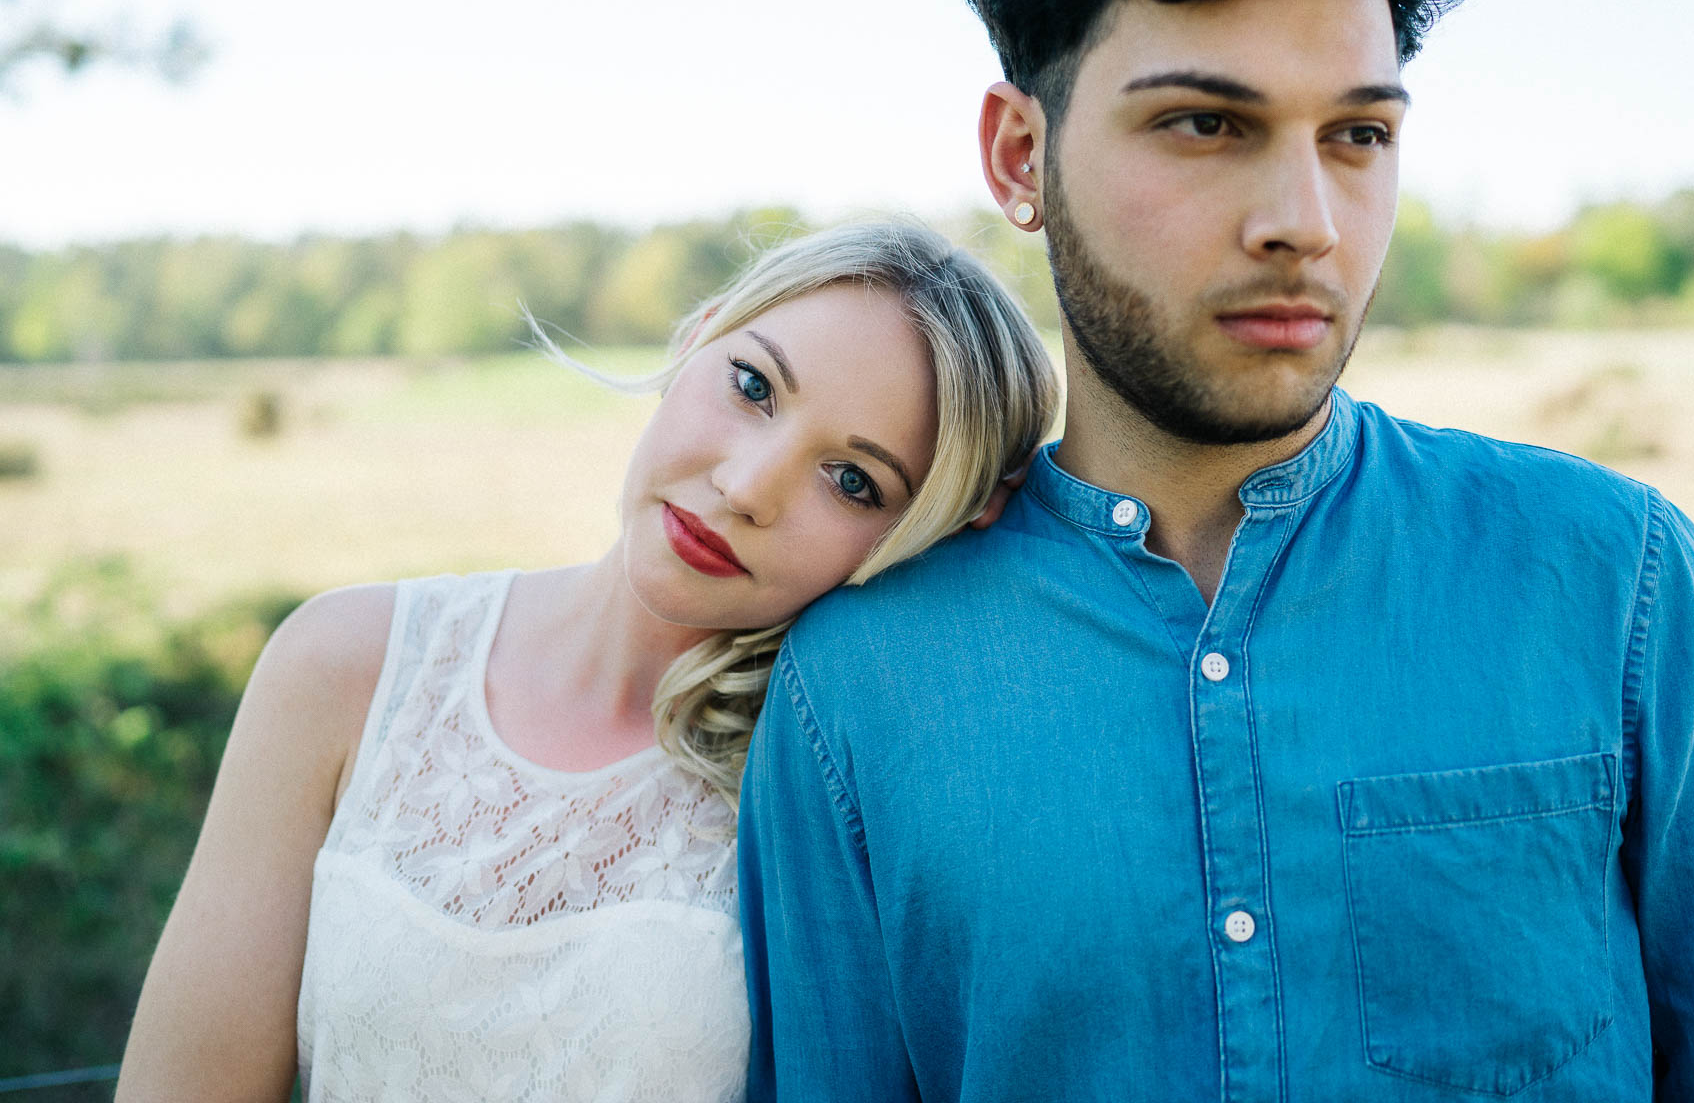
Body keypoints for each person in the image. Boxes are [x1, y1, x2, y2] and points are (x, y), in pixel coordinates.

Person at [736, 0, 1694, 1098]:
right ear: (1023, 155)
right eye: (1203, 123)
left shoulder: (1615, 582)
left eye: (1357, 135)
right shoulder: (855, 690)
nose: (1304, 221)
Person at [115, 220, 1059, 1103]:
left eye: (853, 481)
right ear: (696, 337)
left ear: (927, 533)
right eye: (753, 387)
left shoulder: (839, 794)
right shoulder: (343, 665)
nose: (743, 487)